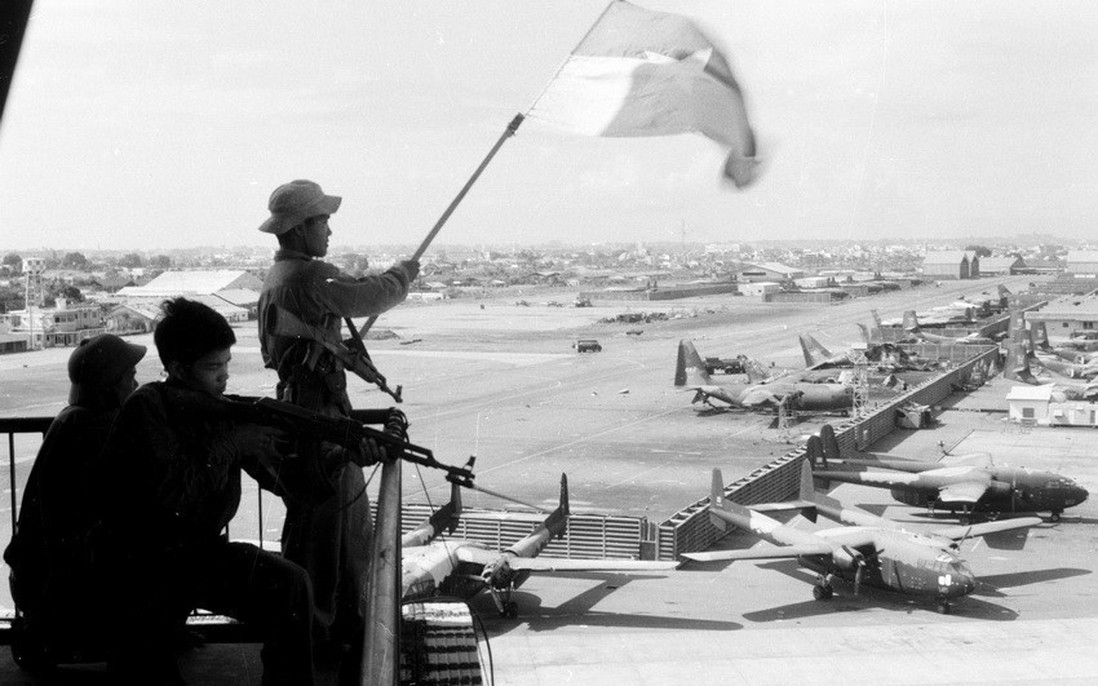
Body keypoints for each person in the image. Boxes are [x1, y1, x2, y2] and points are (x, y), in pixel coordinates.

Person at [99, 298, 318, 686]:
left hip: (195, 555)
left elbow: (282, 482)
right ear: (177, 369)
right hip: (141, 565)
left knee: (291, 585)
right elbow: (173, 494)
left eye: (226, 364)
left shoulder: (218, 411)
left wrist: (333, 458)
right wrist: (234, 443)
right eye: (213, 367)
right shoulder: (147, 408)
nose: (224, 377)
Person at [256, 179, 418, 651]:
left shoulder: (280, 277)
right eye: (323, 221)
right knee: (330, 536)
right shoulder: (307, 277)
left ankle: (328, 631)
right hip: (318, 418)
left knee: (326, 533)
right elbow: (370, 296)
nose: (329, 230)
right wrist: (403, 275)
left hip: (309, 411)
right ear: (299, 228)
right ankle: (326, 640)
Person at [3, 334, 146, 664]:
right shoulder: (91, 427)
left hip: (40, 578)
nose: (136, 384)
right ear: (110, 386)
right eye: (130, 376)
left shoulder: (75, 419)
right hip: (57, 583)